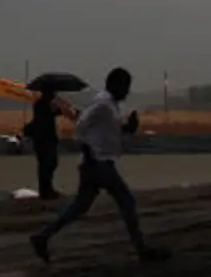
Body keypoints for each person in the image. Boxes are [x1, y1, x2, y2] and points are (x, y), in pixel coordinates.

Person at [30, 68, 169, 265]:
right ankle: (142, 250)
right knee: (126, 201)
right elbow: (81, 126)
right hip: (98, 163)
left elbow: (109, 129)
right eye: (125, 87)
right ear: (115, 85)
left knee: (80, 207)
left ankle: (42, 237)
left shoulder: (112, 105)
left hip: (97, 163)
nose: (127, 91)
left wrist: (128, 127)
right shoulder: (102, 104)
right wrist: (88, 147)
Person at [25, 89, 62, 200]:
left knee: (50, 164)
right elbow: (43, 120)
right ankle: (45, 191)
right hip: (44, 139)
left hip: (46, 139)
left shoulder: (45, 104)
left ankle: (47, 188)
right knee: (46, 164)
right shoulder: (42, 104)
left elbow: (57, 112)